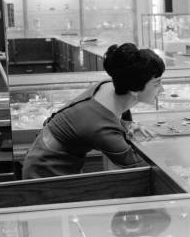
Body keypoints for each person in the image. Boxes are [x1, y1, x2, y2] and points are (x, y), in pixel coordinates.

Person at [22, 43, 164, 179]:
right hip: (45, 170)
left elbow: (106, 117)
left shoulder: (109, 86)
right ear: (134, 89)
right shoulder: (101, 127)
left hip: (47, 154)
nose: (162, 89)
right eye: (157, 83)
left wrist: (127, 125)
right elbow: (137, 165)